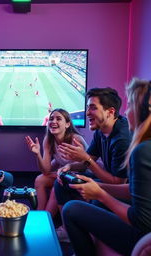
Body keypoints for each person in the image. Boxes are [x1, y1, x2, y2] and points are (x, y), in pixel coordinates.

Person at [62, 78, 151, 256]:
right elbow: (135, 189)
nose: (126, 111)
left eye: (131, 105)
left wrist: (100, 194)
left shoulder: (138, 148)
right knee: (74, 185)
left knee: (71, 209)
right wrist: (74, 168)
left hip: (142, 236)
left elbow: (142, 221)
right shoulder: (103, 133)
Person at [54, 87, 131, 240]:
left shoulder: (122, 139)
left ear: (110, 112)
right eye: (87, 108)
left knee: (95, 202)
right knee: (62, 181)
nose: (87, 112)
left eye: (93, 108)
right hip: (108, 180)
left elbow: (117, 181)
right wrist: (69, 166)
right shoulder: (101, 130)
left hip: (123, 190)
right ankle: (67, 230)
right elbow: (88, 161)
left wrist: (86, 159)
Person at [25, 108, 88, 217]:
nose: (53, 121)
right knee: (40, 179)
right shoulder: (48, 140)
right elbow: (46, 170)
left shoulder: (75, 139)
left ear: (67, 124)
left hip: (84, 174)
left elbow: (85, 166)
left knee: (56, 186)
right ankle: (39, 214)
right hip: (64, 173)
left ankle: (45, 219)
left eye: (58, 119)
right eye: (51, 119)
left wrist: (68, 167)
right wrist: (37, 154)